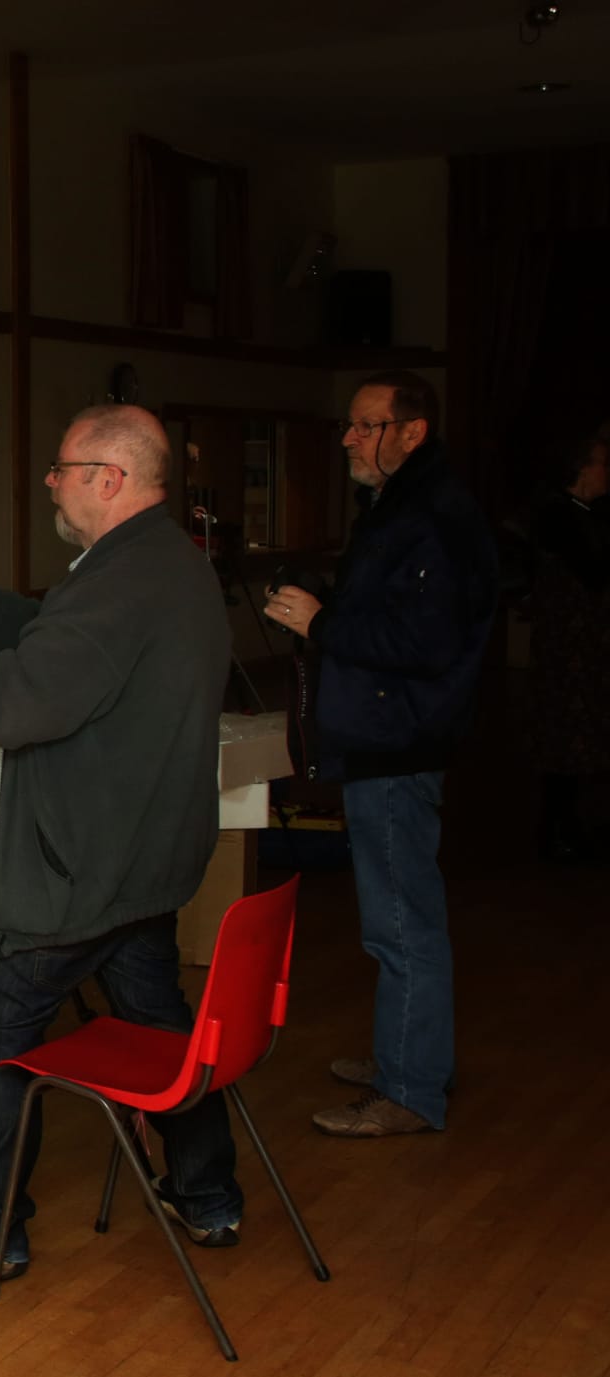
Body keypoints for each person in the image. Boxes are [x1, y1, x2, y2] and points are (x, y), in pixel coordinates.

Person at [0, 404, 243, 1278]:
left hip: (79, 872)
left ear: (110, 479)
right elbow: (70, 647)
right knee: (157, 1021)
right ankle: (208, 1195)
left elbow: (12, 705)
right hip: (145, 867)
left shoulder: (117, 581)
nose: (50, 480)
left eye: (64, 466)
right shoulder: (167, 563)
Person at [263, 371, 497, 1138]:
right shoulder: (406, 508)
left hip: (398, 744)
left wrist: (321, 622)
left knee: (401, 922)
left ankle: (410, 1085)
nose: (348, 439)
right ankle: (409, 1053)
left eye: (366, 426)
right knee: (398, 917)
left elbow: (424, 642)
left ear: (411, 432)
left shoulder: (430, 517)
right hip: (388, 738)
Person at [527, 421, 610, 864]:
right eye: (601, 463)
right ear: (580, 468)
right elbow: (593, 573)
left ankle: (572, 826)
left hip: (585, 649)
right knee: (565, 738)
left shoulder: (585, 514)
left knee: (581, 737)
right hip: (567, 651)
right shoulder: (559, 516)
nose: (607, 472)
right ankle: (559, 830)